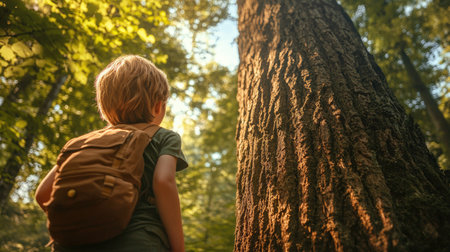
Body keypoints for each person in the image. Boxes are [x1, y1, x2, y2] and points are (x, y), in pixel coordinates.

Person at [35, 55, 188, 252]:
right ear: (158, 106)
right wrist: (179, 248)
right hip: (138, 240)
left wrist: (80, 224)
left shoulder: (82, 143)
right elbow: (163, 181)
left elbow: (42, 194)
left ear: (104, 107)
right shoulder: (164, 137)